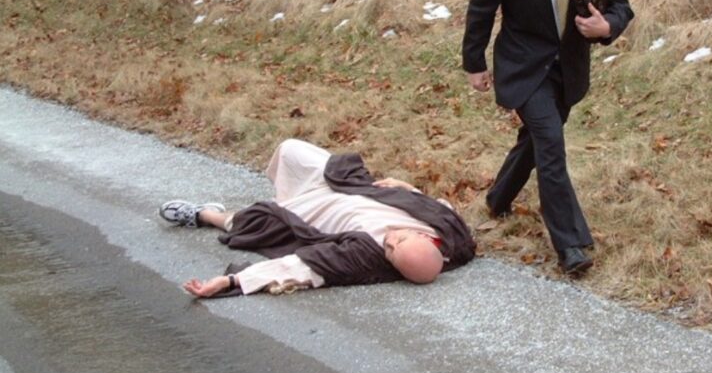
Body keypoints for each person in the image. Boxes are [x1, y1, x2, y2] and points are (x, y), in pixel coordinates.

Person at [461, 0, 634, 275]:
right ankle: (570, 244)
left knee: (537, 139)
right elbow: (481, 10)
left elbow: (621, 4)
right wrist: (475, 63)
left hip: (568, 69)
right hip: (522, 66)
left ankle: (498, 197)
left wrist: (607, 26)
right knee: (551, 144)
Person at [160, 138, 476, 297]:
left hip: (307, 214)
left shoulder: (365, 258)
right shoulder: (452, 234)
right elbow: (438, 205)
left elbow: (300, 268)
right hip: (346, 187)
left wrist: (232, 281)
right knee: (290, 149)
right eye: (400, 239)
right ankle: (278, 194)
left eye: (391, 252)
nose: (390, 241)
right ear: (425, 237)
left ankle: (204, 214)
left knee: (251, 222)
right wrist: (407, 188)